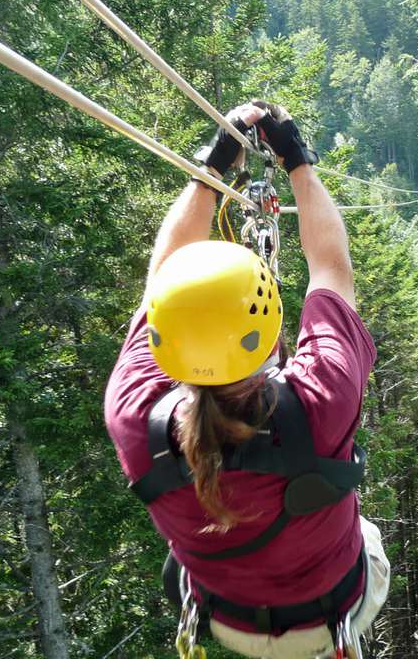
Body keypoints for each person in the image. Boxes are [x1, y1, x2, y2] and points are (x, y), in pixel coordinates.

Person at [104, 102, 390, 659]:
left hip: (221, 618)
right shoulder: (318, 398)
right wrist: (298, 161)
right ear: (268, 326)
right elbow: (330, 264)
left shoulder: (136, 414)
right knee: (368, 536)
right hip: (330, 619)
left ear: (165, 335)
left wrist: (210, 168)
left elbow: (163, 272)